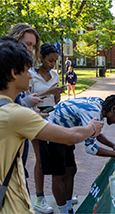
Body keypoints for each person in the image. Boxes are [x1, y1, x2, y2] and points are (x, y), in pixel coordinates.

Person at [0, 39, 103, 214]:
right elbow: (70, 137)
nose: (30, 75)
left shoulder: (10, 112)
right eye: (26, 71)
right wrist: (91, 128)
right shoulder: (16, 114)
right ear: (13, 73)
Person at [38, 95, 115, 214]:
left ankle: (68, 206)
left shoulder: (100, 105)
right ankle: (63, 211)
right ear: (113, 108)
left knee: (71, 169)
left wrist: (113, 145)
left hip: (65, 133)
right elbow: (90, 148)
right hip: (50, 132)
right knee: (58, 175)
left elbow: (95, 133)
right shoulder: (93, 111)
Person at [7, 23, 55, 213]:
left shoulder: (17, 68)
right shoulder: (8, 68)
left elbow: (13, 102)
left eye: (33, 46)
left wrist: (26, 104)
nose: (30, 49)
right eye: (27, 44)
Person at [29, 43, 65, 213]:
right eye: (50, 60)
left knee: (57, 156)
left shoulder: (55, 74)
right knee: (41, 159)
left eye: (55, 61)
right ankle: (39, 198)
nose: (53, 64)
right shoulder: (30, 75)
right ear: (41, 58)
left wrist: (57, 93)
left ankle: (60, 193)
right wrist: (49, 91)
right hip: (36, 117)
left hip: (53, 117)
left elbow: (55, 101)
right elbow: (29, 99)